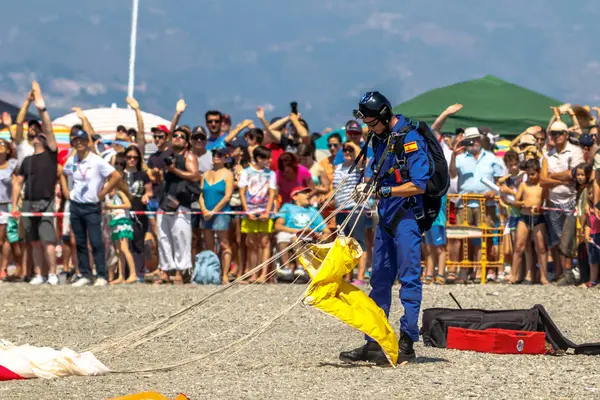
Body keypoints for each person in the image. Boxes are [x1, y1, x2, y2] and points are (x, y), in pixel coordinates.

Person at [339, 91, 432, 365]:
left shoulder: (410, 140)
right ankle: (375, 340)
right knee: (378, 280)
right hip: (386, 218)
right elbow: (377, 173)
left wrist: (385, 190)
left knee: (409, 279)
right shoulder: (379, 139)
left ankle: (406, 341)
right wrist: (366, 186)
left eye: (371, 123)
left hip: (406, 218)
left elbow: (419, 184)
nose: (368, 128)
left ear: (383, 116)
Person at [12, 81, 60, 286]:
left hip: (46, 200)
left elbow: (49, 130)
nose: (39, 136)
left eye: (41, 134)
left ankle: (53, 274)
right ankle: (39, 274)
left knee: (48, 240)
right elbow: (18, 182)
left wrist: (42, 109)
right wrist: (15, 205)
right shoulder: (27, 159)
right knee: (33, 241)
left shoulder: (51, 154)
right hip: (28, 201)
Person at [62, 128, 122, 287]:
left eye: (81, 140)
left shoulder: (96, 160)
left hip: (91, 205)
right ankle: (85, 274)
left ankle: (101, 274)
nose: (79, 143)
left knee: (96, 241)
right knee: (80, 242)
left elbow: (116, 176)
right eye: (75, 141)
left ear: (88, 143)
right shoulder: (72, 159)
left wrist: (103, 193)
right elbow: (62, 172)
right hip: (76, 204)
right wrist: (66, 191)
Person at [155, 126, 200, 284]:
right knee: (163, 237)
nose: (177, 137)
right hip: (166, 200)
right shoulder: (168, 156)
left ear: (187, 142)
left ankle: (181, 272)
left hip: (181, 202)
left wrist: (174, 170)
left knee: (181, 237)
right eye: (175, 135)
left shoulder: (189, 156)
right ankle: (165, 271)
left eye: (181, 136)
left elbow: (195, 176)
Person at [238, 146, 277, 283]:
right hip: (250, 210)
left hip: (265, 210)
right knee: (251, 243)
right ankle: (253, 273)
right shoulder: (246, 172)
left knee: (265, 242)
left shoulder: (271, 174)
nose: (270, 160)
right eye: (267, 158)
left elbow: (272, 193)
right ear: (259, 158)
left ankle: (263, 274)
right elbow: (242, 192)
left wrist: (267, 210)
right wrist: (247, 210)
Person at [274, 186, 329, 281]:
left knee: (296, 239)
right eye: (304, 193)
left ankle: (300, 268)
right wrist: (298, 231)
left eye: (308, 193)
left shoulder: (313, 211)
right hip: (292, 233)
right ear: (295, 196)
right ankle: (286, 268)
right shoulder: (287, 207)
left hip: (308, 236)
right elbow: (278, 226)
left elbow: (327, 231)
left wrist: (322, 236)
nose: (308, 195)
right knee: (282, 236)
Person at [199, 148, 234, 284]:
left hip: (221, 213)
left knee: (224, 243)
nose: (216, 157)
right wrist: (203, 209)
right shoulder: (206, 174)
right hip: (207, 212)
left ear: (226, 158)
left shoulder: (228, 174)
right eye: (214, 154)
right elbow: (201, 194)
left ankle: (224, 275)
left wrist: (213, 211)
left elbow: (227, 196)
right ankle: (212, 274)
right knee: (209, 245)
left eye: (220, 155)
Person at [510, 159, 549, 285]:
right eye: (528, 174)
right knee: (518, 247)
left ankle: (543, 277)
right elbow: (516, 202)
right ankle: (513, 275)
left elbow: (547, 202)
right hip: (525, 217)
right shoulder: (524, 185)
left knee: (541, 248)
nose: (530, 177)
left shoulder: (542, 185)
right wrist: (524, 203)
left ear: (538, 172)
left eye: (532, 174)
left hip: (538, 218)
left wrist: (541, 207)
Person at [104, 156, 137, 285]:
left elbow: (128, 205)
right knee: (118, 251)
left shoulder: (120, 192)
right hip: (114, 221)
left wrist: (112, 207)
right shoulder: (109, 193)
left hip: (122, 220)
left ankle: (133, 273)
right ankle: (121, 275)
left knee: (124, 249)